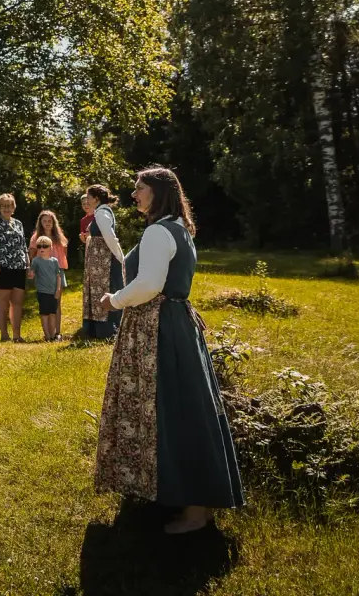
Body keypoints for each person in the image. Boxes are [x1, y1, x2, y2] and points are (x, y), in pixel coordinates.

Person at [94, 167, 244, 533]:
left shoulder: (161, 231)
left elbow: (148, 284)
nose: (134, 194)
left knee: (176, 409)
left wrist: (112, 300)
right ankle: (182, 497)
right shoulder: (178, 227)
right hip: (171, 325)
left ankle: (195, 511)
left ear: (159, 192)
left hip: (160, 328)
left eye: (139, 188)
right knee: (182, 406)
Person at [83, 184, 126, 339]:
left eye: (88, 197)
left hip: (104, 261)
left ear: (96, 198)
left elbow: (109, 236)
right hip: (99, 260)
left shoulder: (102, 213)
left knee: (106, 288)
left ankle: (108, 329)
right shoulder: (100, 212)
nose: (86, 201)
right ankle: (97, 329)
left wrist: (120, 257)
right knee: (98, 290)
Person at [0, 194, 29, 343]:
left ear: (14, 208)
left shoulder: (18, 223)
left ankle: (17, 335)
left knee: (17, 301)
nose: (6, 208)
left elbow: (23, 246)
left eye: (9, 205)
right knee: (3, 301)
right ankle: (4, 334)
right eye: (3, 206)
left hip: (19, 266)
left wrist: (28, 265)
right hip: (2, 266)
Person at [30, 236, 65, 341]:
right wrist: (31, 274)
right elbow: (32, 272)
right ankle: (47, 335)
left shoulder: (54, 261)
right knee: (44, 314)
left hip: (53, 292)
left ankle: (53, 334)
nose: (42, 248)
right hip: (42, 292)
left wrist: (58, 290)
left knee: (53, 314)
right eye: (39, 246)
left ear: (51, 248)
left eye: (45, 246)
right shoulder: (36, 261)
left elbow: (58, 276)